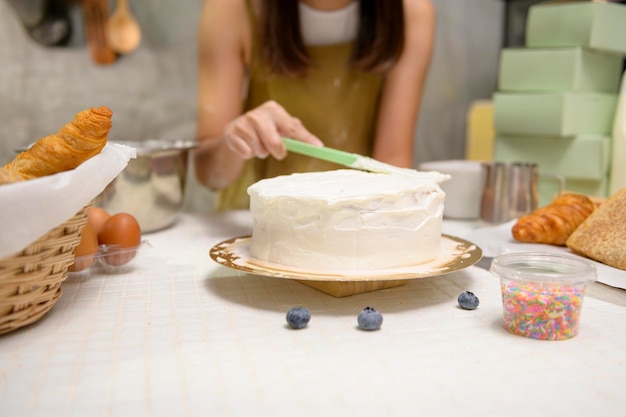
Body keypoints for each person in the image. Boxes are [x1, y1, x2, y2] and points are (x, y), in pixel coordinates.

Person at [194, 0, 435, 210]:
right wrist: (236, 139)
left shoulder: (410, 12)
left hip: (357, 219)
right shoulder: (233, 6)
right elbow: (208, 174)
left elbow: (391, 166)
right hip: (254, 222)